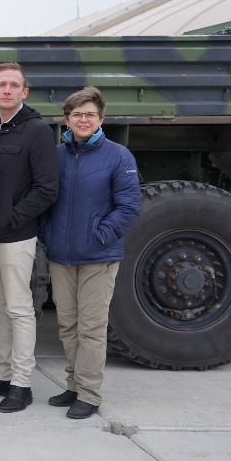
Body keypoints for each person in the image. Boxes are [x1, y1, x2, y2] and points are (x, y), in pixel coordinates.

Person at [0, 62, 58, 412]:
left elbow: (47, 188)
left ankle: (21, 383)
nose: (6, 90)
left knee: (19, 309)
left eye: (13, 85)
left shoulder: (36, 131)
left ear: (24, 92)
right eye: (1, 84)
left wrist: (12, 219)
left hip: (16, 237)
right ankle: (0, 375)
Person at [39, 86, 140, 419]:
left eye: (90, 114)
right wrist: (47, 234)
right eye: (77, 114)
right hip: (61, 257)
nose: (83, 120)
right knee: (67, 326)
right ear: (67, 119)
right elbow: (45, 198)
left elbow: (128, 207)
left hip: (98, 257)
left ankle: (90, 393)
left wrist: (100, 237)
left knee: (91, 329)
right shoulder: (56, 155)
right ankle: (74, 384)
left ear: (101, 119)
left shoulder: (119, 156)